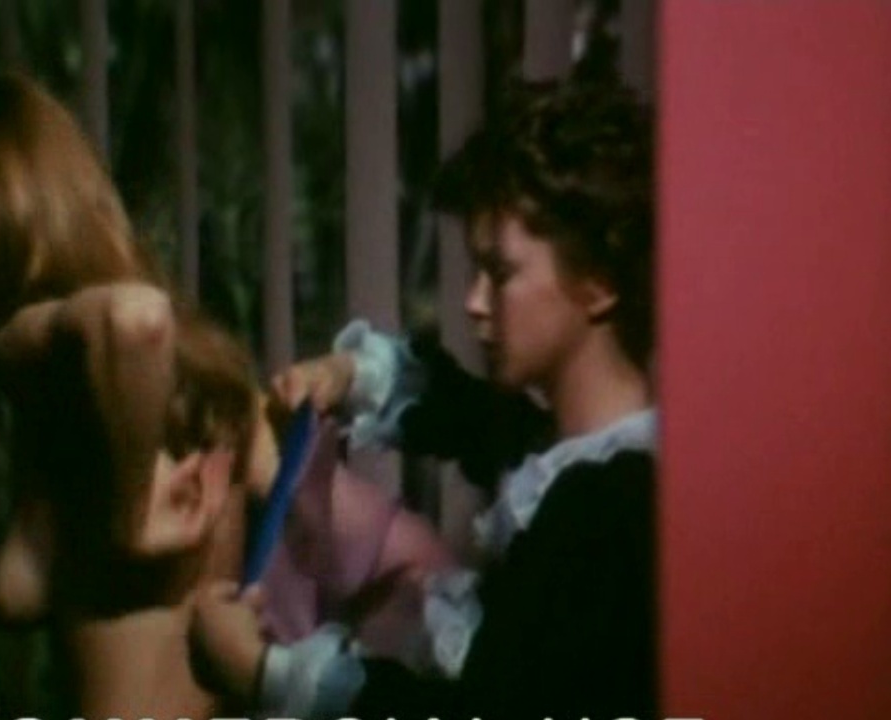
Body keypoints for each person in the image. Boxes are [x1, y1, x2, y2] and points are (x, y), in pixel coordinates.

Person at [0, 73, 453, 718]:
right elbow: (411, 558)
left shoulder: (27, 341)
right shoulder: (208, 391)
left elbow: (134, 318)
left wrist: (130, 517)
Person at [190, 78, 659, 720]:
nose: (473, 302)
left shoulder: (609, 505)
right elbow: (470, 415)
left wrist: (265, 675)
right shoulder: (567, 455)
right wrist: (349, 375)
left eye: (500, 273)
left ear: (599, 282)